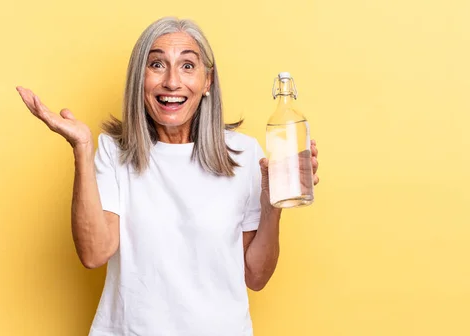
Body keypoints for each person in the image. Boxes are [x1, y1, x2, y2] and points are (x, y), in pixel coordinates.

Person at [16, 16, 319, 336]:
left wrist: (273, 204)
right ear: (139, 78)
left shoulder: (244, 154)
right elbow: (94, 253)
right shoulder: (113, 151)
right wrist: (81, 146)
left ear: (208, 82)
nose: (172, 82)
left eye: (188, 66)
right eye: (157, 64)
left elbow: (256, 276)